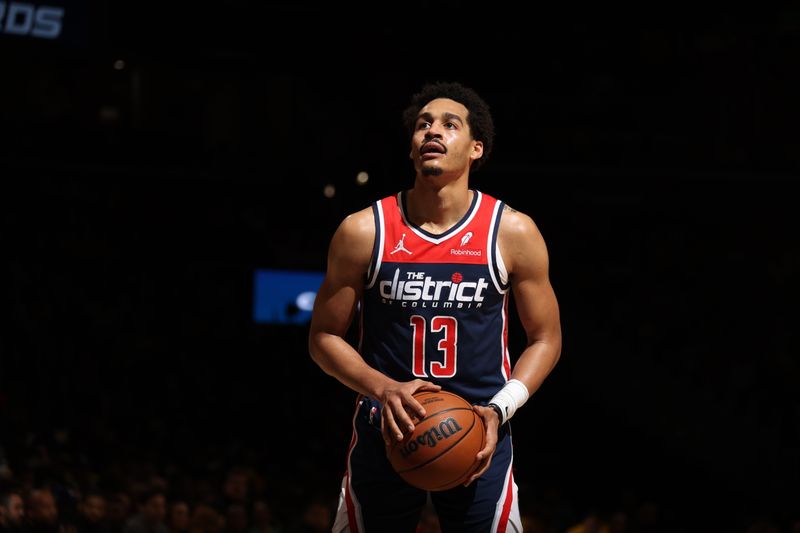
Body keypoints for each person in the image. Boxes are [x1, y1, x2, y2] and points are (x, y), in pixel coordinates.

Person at [308, 81, 562, 532]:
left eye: (450, 123)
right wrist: (383, 388)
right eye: (423, 123)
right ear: (411, 149)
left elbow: (547, 338)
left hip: (479, 429)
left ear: (475, 149)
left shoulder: (513, 232)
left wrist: (500, 408)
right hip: (383, 429)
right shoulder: (364, 230)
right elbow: (323, 337)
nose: (432, 131)